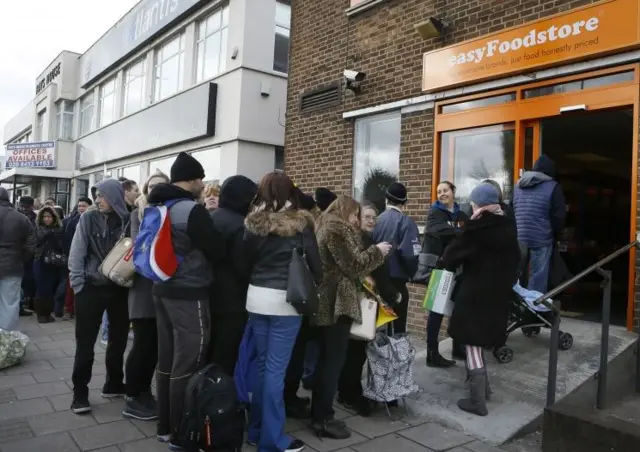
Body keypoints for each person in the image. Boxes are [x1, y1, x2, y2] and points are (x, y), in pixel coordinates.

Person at [147, 152, 225, 449]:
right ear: (191, 180)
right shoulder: (192, 210)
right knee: (189, 361)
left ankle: (164, 426)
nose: (203, 184)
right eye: (200, 178)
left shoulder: (156, 205)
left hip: (161, 290)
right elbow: (216, 249)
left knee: (167, 360)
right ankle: (183, 433)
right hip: (189, 293)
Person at [243, 171, 322, 452]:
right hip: (286, 303)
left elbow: (245, 262)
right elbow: (316, 266)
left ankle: (255, 430)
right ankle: (273, 441)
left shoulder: (253, 224)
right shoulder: (302, 224)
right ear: (291, 191)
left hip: (256, 299)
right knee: (275, 372)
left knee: (263, 368)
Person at [313, 195, 390, 439]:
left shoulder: (326, 226)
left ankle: (320, 412)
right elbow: (354, 266)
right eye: (356, 214)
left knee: (326, 360)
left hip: (328, 302)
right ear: (346, 211)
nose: (357, 219)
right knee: (332, 362)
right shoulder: (337, 230)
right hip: (336, 305)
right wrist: (377, 252)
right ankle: (323, 417)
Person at [443, 183, 519, 416]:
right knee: (480, 339)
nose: (472, 206)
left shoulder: (476, 229)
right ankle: (484, 391)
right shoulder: (508, 227)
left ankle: (477, 402)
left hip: (475, 294)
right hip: (497, 295)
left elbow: (450, 257)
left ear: (480, 205)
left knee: (472, 343)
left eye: (474, 203)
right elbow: (516, 261)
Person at [69, 179, 131, 414]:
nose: (98, 200)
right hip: (90, 288)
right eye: (96, 195)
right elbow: (77, 253)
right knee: (85, 342)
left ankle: (113, 383)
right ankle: (80, 393)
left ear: (115, 197)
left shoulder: (128, 220)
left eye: (103, 195)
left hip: (119, 288)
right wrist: (78, 285)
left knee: (118, 339)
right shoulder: (88, 218)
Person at [337, 202, 398, 416]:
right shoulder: (362, 243)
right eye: (367, 217)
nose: (371, 220)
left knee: (355, 351)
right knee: (355, 351)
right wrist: (394, 296)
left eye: (374, 217)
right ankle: (349, 394)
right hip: (359, 304)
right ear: (357, 218)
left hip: (361, 303)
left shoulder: (364, 240)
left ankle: (349, 391)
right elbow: (372, 272)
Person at [123, 171, 170, 421]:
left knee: (153, 346)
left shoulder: (170, 211)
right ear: (145, 190)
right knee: (142, 343)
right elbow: (141, 248)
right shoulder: (138, 213)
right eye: (152, 186)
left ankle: (143, 392)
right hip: (143, 289)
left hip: (162, 290)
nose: (156, 191)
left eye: (162, 186)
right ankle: (132, 396)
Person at [208, 175, 258, 375]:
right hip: (232, 301)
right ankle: (219, 400)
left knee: (209, 353)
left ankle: (202, 396)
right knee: (226, 357)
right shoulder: (240, 225)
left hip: (208, 294)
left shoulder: (212, 217)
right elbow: (243, 267)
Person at [423, 181, 469, 367]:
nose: (442, 194)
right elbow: (438, 231)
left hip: (459, 270)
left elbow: (470, 233)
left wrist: (460, 232)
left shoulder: (462, 214)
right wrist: (460, 232)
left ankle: (458, 347)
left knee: (458, 310)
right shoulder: (434, 213)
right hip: (439, 270)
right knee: (436, 313)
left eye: (445, 190)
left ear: (453, 192)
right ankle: (431, 354)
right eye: (439, 191)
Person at [513, 155, 566, 294]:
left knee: (517, 275)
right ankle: (534, 311)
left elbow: (511, 211)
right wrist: (555, 234)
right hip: (541, 238)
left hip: (520, 237)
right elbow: (558, 217)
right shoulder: (553, 187)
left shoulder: (518, 185)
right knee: (538, 278)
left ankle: (515, 309)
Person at [371, 182, 420, 334]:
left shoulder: (375, 220)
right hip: (396, 283)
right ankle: (395, 356)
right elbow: (410, 256)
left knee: (375, 325)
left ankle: (378, 356)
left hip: (374, 281)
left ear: (386, 199)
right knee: (397, 328)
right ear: (404, 202)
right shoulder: (406, 222)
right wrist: (412, 274)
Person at [0, 187, 35, 331]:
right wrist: (21, 259)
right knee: (10, 303)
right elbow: (31, 244)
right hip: (13, 265)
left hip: (13, 262)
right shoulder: (21, 218)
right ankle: (6, 340)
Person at [62, 197, 93, 320]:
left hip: (89, 259)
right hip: (75, 257)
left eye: (84, 206)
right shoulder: (72, 221)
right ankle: (69, 309)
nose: (81, 208)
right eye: (79, 206)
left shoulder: (93, 220)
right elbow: (67, 240)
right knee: (72, 285)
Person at [33, 206, 65, 323]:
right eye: (45, 217)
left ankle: (47, 313)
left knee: (51, 287)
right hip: (40, 261)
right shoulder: (38, 229)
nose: (47, 219)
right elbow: (36, 241)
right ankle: (41, 314)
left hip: (54, 262)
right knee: (41, 288)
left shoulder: (59, 230)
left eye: (49, 216)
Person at [18, 196, 37, 315]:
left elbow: (33, 238)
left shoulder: (35, 217)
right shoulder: (15, 216)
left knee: (28, 280)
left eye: (27, 207)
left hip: (28, 255)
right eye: (23, 206)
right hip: (18, 254)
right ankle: (20, 305)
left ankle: (25, 303)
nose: (24, 209)